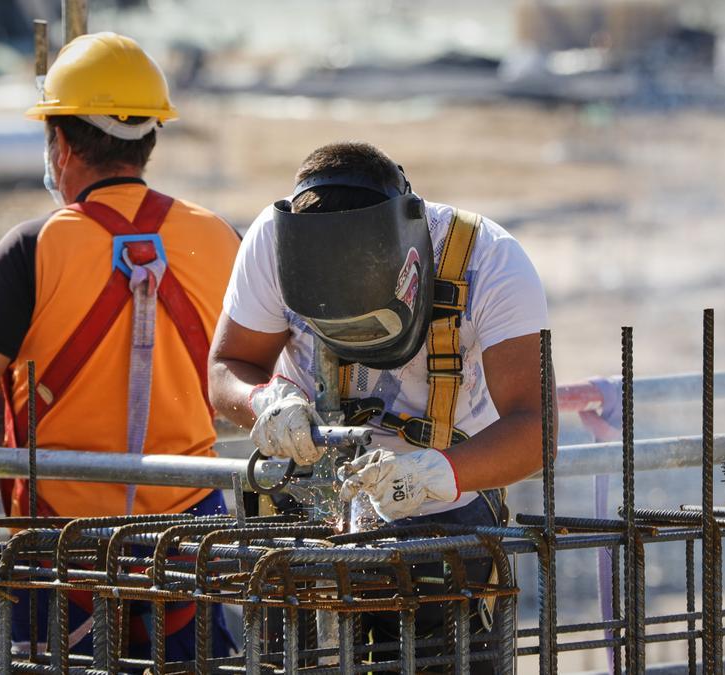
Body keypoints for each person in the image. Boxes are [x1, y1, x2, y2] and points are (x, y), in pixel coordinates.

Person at [0, 31, 239, 663]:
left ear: (60, 143)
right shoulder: (218, 239)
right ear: (150, 138)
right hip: (189, 543)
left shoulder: (32, 248)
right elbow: (245, 388)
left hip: (61, 552)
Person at [208, 141, 552, 670]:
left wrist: (432, 473)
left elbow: (536, 431)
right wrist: (266, 402)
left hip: (443, 525)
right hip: (309, 514)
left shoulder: (488, 260)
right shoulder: (274, 243)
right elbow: (228, 365)